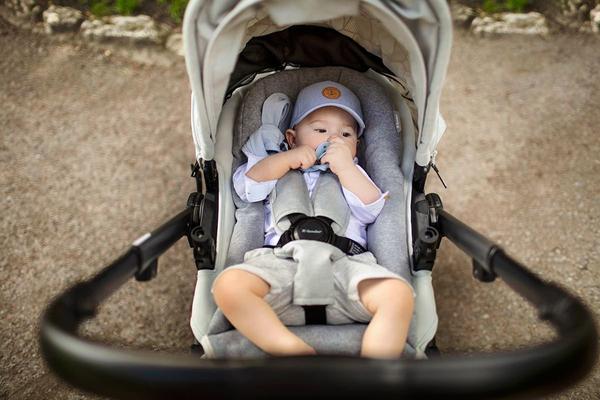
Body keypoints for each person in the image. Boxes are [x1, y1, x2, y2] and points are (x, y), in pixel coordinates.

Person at [212, 81, 414, 359]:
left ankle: (375, 370)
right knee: (229, 285)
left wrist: (346, 168)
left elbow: (372, 208)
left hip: (344, 266)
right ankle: (290, 350)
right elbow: (246, 189)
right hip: (280, 264)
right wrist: (285, 159)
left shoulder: (353, 174)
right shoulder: (276, 168)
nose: (334, 139)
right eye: (320, 130)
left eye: (346, 134)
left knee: (398, 294)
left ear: (357, 147)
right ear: (292, 137)